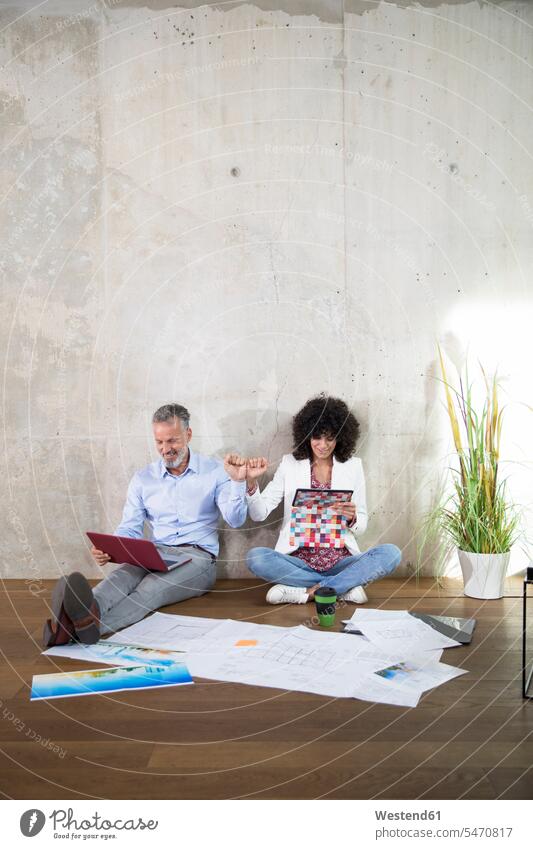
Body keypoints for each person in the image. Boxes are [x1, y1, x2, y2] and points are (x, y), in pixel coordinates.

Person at [43, 403, 248, 646]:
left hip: (199, 559)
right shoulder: (143, 478)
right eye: (159, 442)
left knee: (150, 589)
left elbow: (236, 520)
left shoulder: (216, 471)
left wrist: (237, 482)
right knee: (119, 579)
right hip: (154, 553)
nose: (165, 449)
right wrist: (111, 548)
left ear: (188, 435)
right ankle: (83, 615)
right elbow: (130, 527)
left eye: (172, 441)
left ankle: (78, 628)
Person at [244, 395, 401, 605]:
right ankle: (340, 588)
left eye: (330, 438)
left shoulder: (353, 466)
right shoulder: (289, 464)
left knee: (391, 554)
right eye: (316, 437)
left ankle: (305, 592)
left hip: (341, 561)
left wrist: (353, 517)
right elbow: (259, 513)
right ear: (307, 435)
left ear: (340, 437)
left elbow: (362, 525)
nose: (323, 445)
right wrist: (251, 483)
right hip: (298, 562)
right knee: (256, 558)